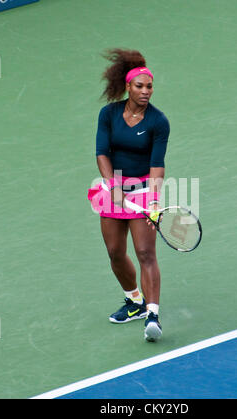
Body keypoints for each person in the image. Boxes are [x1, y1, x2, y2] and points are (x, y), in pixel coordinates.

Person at [88, 49, 170, 342]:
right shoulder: (108, 114)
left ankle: (153, 314)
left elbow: (157, 165)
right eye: (140, 86)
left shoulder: (159, 122)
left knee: (146, 253)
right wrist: (113, 186)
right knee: (114, 251)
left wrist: (156, 202)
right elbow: (102, 152)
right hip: (112, 189)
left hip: (145, 191)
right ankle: (134, 300)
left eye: (149, 86)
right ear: (128, 86)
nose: (146, 91)